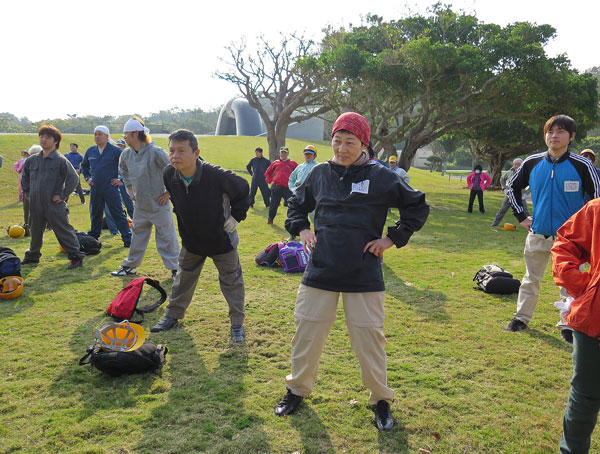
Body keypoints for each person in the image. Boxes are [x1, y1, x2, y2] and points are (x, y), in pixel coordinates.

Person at [274, 112, 430, 431]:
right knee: (307, 332)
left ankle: (381, 400)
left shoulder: (381, 176)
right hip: (322, 268)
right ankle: (296, 390)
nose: (342, 148)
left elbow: (417, 205)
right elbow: (296, 205)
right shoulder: (319, 173)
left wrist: (391, 238)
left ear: (363, 144)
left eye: (350, 142)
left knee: (368, 338)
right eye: (337, 141)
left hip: (363, 271)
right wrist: (302, 228)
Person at [503, 115, 600, 343]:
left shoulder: (582, 165)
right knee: (530, 279)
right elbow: (512, 188)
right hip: (538, 233)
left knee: (570, 283)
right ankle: (521, 318)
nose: (554, 136)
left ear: (572, 136)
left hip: (570, 242)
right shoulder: (532, 162)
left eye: (560, 132)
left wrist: (589, 233)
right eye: (550, 132)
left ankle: (567, 323)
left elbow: (597, 200)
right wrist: (522, 216)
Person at [151, 129, 250, 342]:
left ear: (196, 153)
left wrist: (236, 217)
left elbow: (243, 187)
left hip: (221, 240)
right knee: (182, 279)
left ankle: (237, 325)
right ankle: (172, 316)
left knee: (232, 282)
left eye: (181, 150)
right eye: (172, 151)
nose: (175, 155)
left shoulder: (216, 175)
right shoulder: (169, 174)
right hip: (191, 241)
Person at [551, 198, 600, 453]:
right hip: (595, 322)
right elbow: (565, 243)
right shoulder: (597, 209)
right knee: (584, 397)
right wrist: (584, 287)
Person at [111, 117, 179, 278]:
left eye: (126, 133)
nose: (124, 137)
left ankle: (176, 269)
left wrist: (168, 192)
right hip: (141, 205)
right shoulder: (126, 154)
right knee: (138, 236)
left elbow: (175, 170)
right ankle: (130, 266)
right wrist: (130, 190)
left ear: (136, 133)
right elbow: (124, 171)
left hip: (159, 203)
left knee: (167, 237)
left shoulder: (155, 152)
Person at [20, 125, 85, 269]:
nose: (43, 140)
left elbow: (73, 178)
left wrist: (63, 195)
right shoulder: (32, 160)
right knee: (35, 230)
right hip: (36, 203)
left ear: (55, 141)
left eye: (47, 137)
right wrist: (27, 192)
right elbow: (25, 177)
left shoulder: (60, 160)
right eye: (41, 137)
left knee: (63, 229)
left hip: (53, 203)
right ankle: (33, 256)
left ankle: (76, 256)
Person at [81, 125, 132, 247]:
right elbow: (84, 166)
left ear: (107, 136)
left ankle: (127, 238)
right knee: (96, 213)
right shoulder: (91, 151)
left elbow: (127, 167)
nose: (97, 137)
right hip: (96, 188)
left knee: (118, 213)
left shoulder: (115, 151)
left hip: (111, 188)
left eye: (100, 134)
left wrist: (120, 180)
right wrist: (87, 178)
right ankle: (94, 237)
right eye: (95, 134)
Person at [490, 158, 530, 227]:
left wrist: (525, 193)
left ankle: (532, 225)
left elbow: (531, 184)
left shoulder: (526, 173)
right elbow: (502, 179)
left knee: (525, 211)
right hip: (510, 195)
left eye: (518, 164)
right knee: (503, 209)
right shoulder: (509, 172)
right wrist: (504, 189)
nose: (516, 166)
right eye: (515, 164)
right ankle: (495, 223)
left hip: (520, 195)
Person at [264, 146, 297, 224]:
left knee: (292, 205)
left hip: (288, 188)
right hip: (276, 187)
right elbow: (267, 173)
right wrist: (270, 181)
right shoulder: (275, 163)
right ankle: (270, 219)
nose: (283, 154)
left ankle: (292, 220)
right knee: (273, 205)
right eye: (282, 152)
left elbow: (299, 173)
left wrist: (296, 184)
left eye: (285, 152)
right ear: (280, 153)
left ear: (288, 153)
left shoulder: (293, 163)